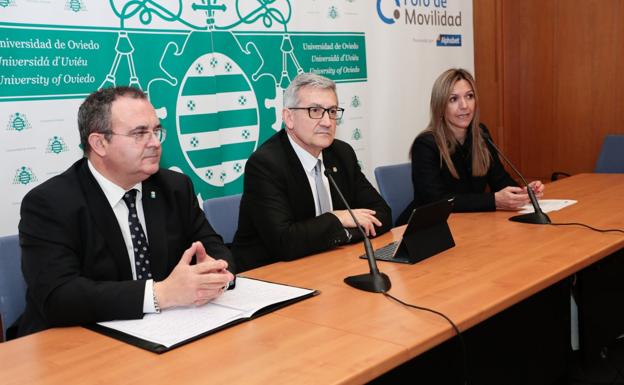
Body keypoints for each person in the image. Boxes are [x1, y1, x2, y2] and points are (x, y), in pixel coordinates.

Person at [12, 86, 235, 338]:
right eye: (140, 133)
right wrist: (159, 294)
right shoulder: (50, 203)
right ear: (99, 143)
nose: (154, 143)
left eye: (156, 131)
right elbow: (59, 296)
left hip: (165, 331)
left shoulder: (174, 187)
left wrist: (215, 271)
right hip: (76, 340)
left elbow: (215, 247)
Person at [232, 73, 392, 272]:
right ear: (289, 117)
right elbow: (285, 242)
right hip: (271, 273)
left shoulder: (341, 153)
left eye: (332, 111)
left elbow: (382, 214)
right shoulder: (266, 164)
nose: (327, 121)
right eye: (315, 110)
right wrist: (338, 219)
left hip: (330, 264)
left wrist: (343, 234)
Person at [400, 68, 544, 222]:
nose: (464, 105)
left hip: (469, 223)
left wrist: (523, 193)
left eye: (469, 96)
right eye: (453, 99)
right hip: (427, 229)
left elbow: (500, 180)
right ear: (440, 106)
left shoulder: (481, 134)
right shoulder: (426, 145)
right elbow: (436, 201)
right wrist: (493, 201)